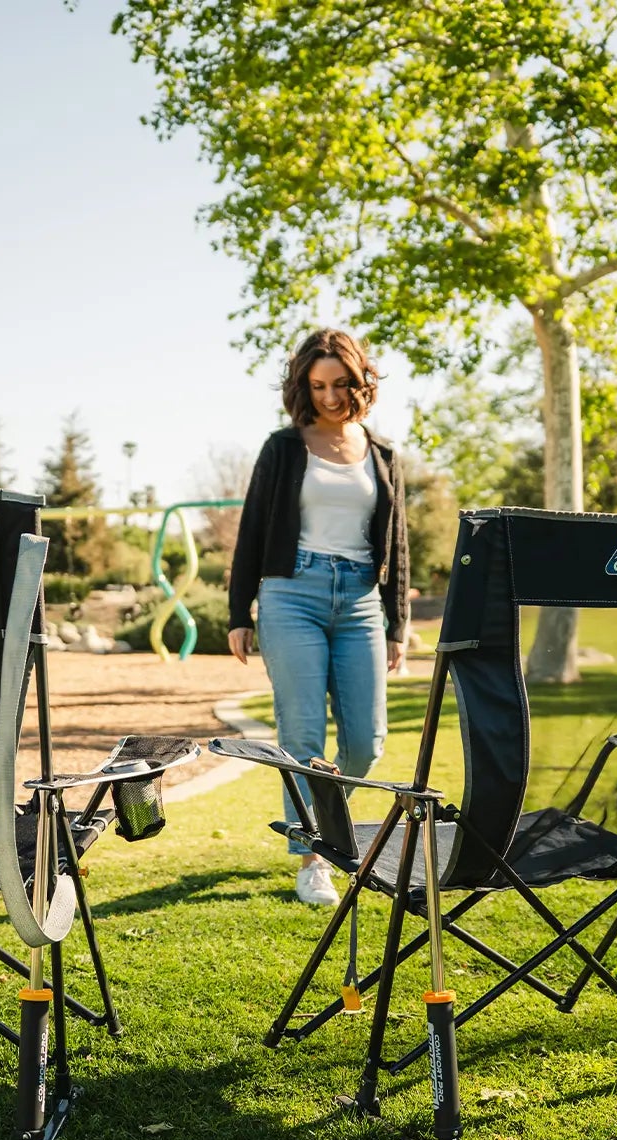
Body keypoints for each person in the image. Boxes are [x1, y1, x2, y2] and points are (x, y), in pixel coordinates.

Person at [227, 328, 409, 906]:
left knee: (366, 743)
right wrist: (238, 612)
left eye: (341, 383)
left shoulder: (382, 453)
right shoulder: (284, 447)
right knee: (303, 734)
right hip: (291, 594)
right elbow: (253, 529)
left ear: (361, 382)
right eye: (318, 386)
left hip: (360, 601)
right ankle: (314, 860)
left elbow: (398, 542)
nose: (330, 396)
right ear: (304, 388)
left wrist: (398, 622)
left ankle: (323, 825)